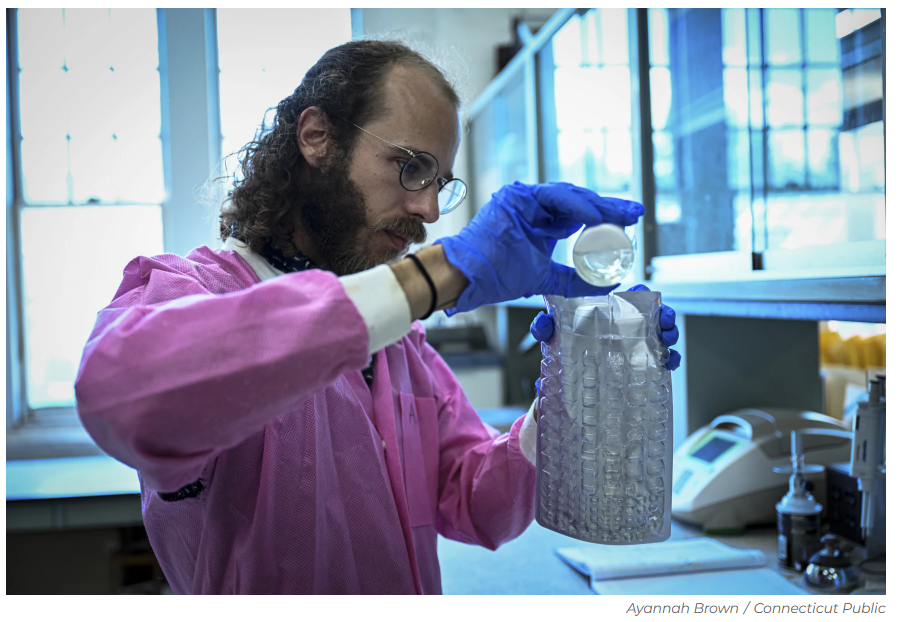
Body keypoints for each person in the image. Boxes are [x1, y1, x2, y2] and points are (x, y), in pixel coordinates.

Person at [74, 39, 679, 595]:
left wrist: (567, 405)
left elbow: (470, 500)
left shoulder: (399, 345)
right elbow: (120, 397)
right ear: (317, 137)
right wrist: (439, 274)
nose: (429, 209)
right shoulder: (194, 290)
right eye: (410, 166)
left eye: (442, 182)